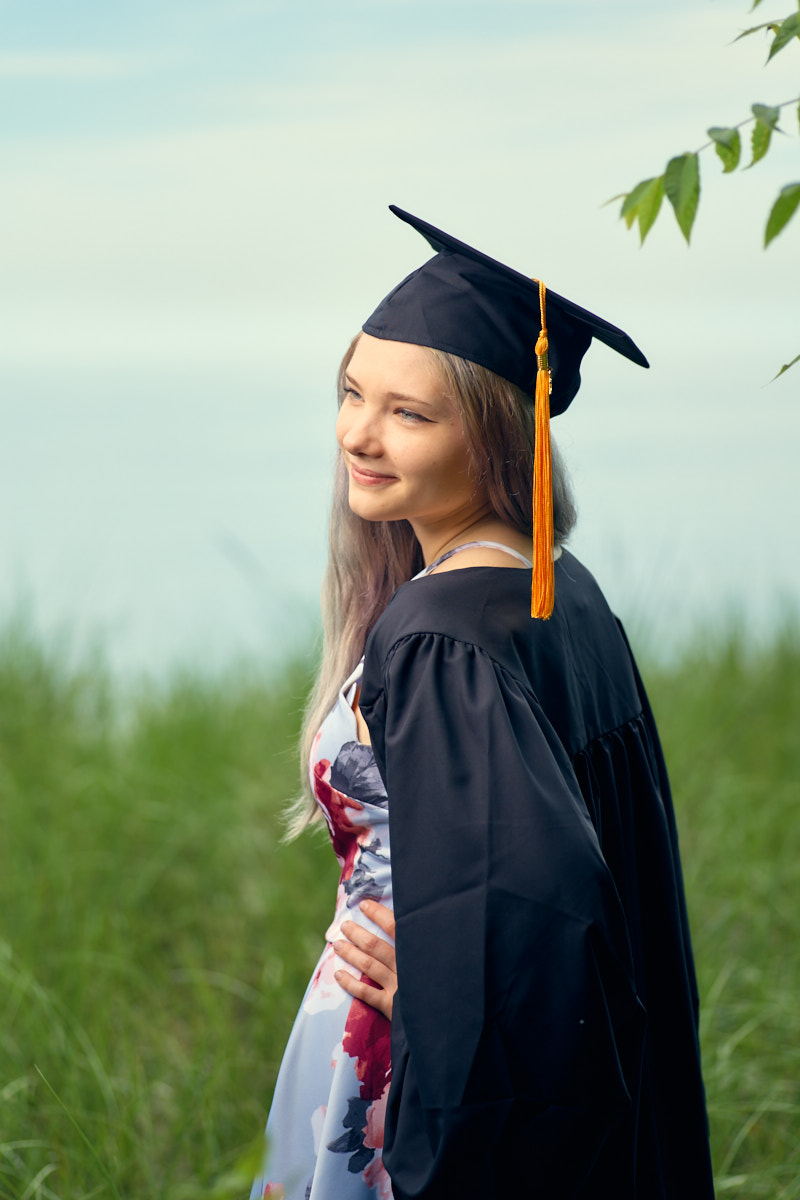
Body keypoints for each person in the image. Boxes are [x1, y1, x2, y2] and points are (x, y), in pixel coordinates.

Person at [251, 207, 715, 1199]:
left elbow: (527, 899)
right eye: (349, 393)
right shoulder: (551, 585)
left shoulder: (438, 632)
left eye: (409, 415)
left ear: (495, 432)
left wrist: (442, 992)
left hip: (409, 1074)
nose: (357, 436)